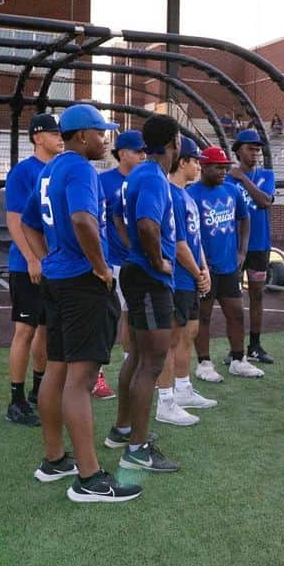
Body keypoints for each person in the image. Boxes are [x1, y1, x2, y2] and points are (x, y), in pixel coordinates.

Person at [20, 103, 141, 503]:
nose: (105, 139)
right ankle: (89, 478)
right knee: (81, 380)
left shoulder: (50, 168)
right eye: (100, 132)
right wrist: (102, 269)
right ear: (83, 135)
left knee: (56, 370)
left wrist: (45, 259)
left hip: (58, 281)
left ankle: (55, 459)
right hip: (80, 284)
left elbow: (27, 223)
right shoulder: (79, 169)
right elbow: (83, 221)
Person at [104, 114, 183, 473]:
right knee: (151, 363)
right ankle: (137, 447)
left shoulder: (139, 174)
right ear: (173, 142)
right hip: (150, 279)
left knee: (136, 357)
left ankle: (123, 429)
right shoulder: (152, 176)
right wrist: (157, 260)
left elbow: (121, 218)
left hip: (137, 273)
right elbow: (147, 224)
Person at [3, 112, 62, 427]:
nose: (59, 138)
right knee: (24, 330)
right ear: (38, 137)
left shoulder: (58, 169)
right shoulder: (23, 172)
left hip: (53, 264)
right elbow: (15, 220)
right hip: (27, 264)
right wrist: (31, 258)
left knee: (45, 330)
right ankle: (16, 400)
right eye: (53, 133)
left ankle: (40, 391)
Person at [156, 136, 218, 422]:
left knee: (189, 332)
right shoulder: (170, 194)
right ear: (183, 163)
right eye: (196, 161)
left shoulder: (187, 196)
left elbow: (196, 240)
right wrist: (196, 273)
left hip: (191, 277)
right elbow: (179, 244)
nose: (198, 166)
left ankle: (182, 388)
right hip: (179, 279)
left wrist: (203, 270)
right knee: (172, 338)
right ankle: (165, 400)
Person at [187, 146, 262, 378]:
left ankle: (238, 359)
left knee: (237, 313)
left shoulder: (232, 191)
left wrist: (242, 251)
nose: (223, 172)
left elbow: (244, 218)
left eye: (225, 167)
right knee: (204, 316)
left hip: (229, 266)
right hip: (204, 268)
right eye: (218, 167)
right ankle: (204, 363)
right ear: (204, 166)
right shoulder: (191, 194)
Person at [96, 129, 147, 401]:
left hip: (136, 263)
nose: (143, 155)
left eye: (144, 151)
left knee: (131, 318)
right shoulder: (104, 181)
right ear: (122, 153)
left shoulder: (147, 180)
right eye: (138, 151)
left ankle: (131, 364)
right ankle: (97, 376)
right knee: (107, 321)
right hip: (111, 262)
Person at [227, 129, 276, 364]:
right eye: (250, 148)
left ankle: (255, 346)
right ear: (238, 150)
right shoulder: (225, 178)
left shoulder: (266, 175)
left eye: (257, 149)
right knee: (232, 299)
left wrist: (243, 179)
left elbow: (265, 201)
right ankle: (234, 349)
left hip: (259, 246)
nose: (255, 153)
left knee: (257, 295)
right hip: (232, 247)